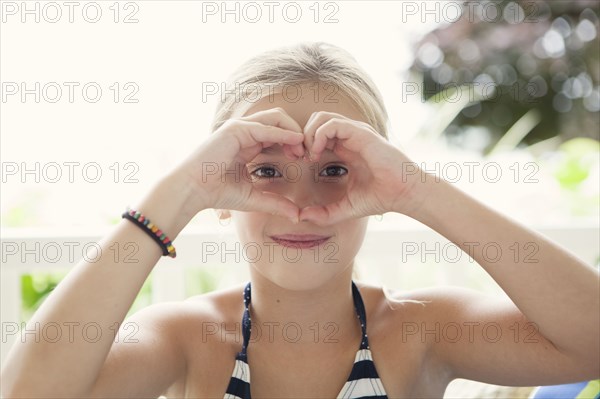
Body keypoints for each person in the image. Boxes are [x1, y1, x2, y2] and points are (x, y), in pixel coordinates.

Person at [1, 41, 598, 399]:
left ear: (379, 187)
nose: (303, 206)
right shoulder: (186, 339)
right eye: (265, 172)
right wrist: (180, 193)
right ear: (223, 191)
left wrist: (417, 191)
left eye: (336, 171)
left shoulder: (418, 331)